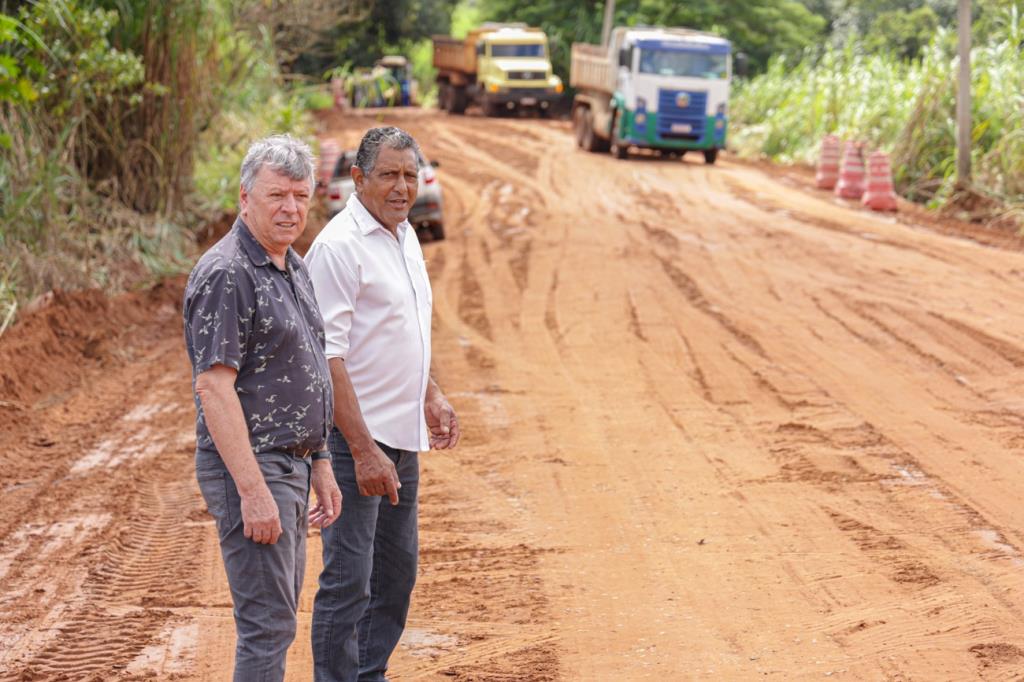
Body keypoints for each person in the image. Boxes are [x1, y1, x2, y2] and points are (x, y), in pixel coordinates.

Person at [183, 134, 343, 682]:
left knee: (278, 621)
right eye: (278, 195)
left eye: (301, 195)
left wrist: (320, 460)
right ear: (245, 197)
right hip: (253, 467)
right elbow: (214, 388)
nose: (291, 208)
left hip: (291, 465)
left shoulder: (291, 265)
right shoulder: (229, 272)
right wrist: (253, 492)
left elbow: (308, 368)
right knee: (267, 626)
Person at [305, 126, 461, 682]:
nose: (402, 187)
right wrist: (363, 449)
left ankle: (367, 675)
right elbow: (329, 358)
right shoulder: (338, 247)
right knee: (349, 580)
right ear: (358, 179)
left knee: (396, 577)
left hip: (400, 439)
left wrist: (431, 392)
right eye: (389, 175)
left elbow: (403, 330)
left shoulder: (404, 235)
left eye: (410, 175)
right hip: (355, 447)